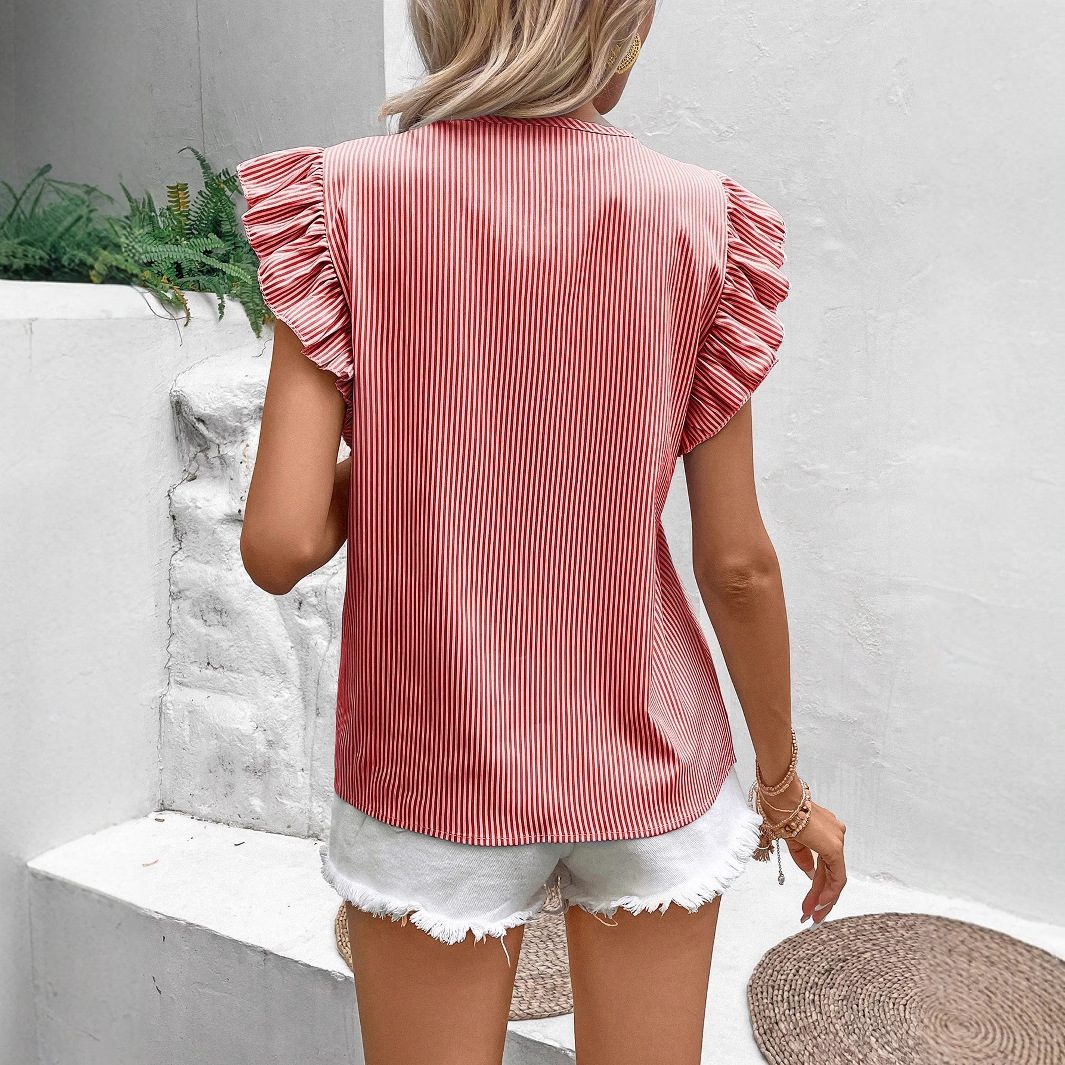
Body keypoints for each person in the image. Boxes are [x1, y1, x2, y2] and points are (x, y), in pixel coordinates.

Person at [235, 1, 847, 1062]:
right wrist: (784, 793)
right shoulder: (702, 218)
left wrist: (421, 448)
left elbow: (279, 545)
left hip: (432, 758)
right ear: (619, 34)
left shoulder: (343, 201)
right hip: (649, 752)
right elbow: (737, 564)